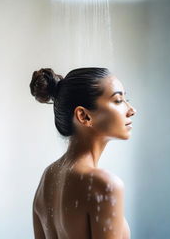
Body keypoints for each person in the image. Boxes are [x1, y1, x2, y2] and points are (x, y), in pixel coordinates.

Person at [30, 67, 136, 239]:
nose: (131, 110)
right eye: (118, 100)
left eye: (126, 99)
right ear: (84, 116)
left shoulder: (48, 177)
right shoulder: (104, 185)